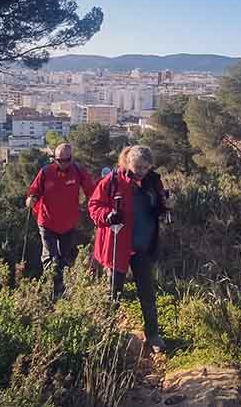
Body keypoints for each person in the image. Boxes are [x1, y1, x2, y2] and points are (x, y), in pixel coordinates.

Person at [88, 145, 170, 352]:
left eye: (145, 168)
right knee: (113, 294)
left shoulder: (153, 181)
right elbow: (94, 206)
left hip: (143, 246)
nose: (141, 171)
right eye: (137, 167)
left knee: (147, 293)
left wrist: (164, 209)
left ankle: (153, 335)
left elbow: (159, 203)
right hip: (117, 246)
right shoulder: (112, 181)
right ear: (128, 163)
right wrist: (107, 215)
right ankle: (106, 335)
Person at [26, 143, 96, 297]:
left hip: (68, 223)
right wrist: (32, 198)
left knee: (63, 258)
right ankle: (52, 290)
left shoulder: (79, 171)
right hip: (47, 221)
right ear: (54, 158)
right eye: (59, 160)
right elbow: (34, 190)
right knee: (51, 258)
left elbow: (92, 191)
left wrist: (98, 208)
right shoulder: (46, 172)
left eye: (66, 160)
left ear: (72, 158)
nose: (63, 163)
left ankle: (59, 289)